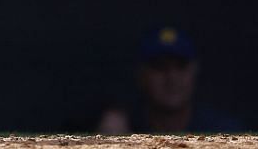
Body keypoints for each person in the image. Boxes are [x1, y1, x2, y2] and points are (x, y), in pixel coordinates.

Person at [98, 26, 241, 134]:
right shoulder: (124, 128)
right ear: (142, 75)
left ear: (194, 71)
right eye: (160, 67)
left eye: (181, 67)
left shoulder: (222, 132)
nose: (172, 78)